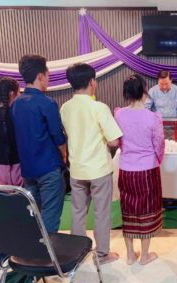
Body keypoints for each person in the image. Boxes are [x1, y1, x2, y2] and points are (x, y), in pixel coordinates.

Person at [60, 63, 123, 264]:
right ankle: (102, 255)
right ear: (92, 82)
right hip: (98, 169)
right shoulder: (99, 107)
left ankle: (76, 255)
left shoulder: (65, 107)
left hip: (77, 169)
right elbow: (114, 141)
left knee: (78, 214)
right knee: (101, 213)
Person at [10, 54, 66, 233]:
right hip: (48, 166)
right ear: (40, 76)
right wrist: (64, 154)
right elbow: (57, 136)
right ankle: (46, 256)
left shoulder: (16, 103)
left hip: (28, 168)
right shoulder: (47, 102)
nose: (48, 80)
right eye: (48, 76)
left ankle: (31, 251)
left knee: (32, 212)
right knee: (50, 212)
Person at [114, 74, 165, 266]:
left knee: (128, 208)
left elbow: (118, 142)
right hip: (148, 169)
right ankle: (144, 256)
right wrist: (156, 160)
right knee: (147, 209)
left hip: (126, 169)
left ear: (127, 93)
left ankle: (129, 254)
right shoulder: (152, 117)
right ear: (145, 90)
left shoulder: (118, 114)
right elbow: (159, 145)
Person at [0, 76, 23, 187]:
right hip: (19, 167)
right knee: (22, 200)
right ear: (12, 94)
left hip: (0, 167)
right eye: (19, 91)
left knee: (4, 200)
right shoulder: (19, 114)